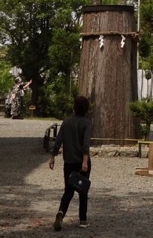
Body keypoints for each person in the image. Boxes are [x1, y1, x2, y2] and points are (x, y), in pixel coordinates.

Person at [49, 95, 92, 231]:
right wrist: (85, 161)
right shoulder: (86, 123)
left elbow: (58, 140)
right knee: (82, 191)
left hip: (68, 162)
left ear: (74, 106)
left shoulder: (66, 121)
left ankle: (61, 213)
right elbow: (85, 144)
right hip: (81, 161)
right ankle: (83, 219)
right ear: (86, 109)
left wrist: (53, 156)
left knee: (68, 190)